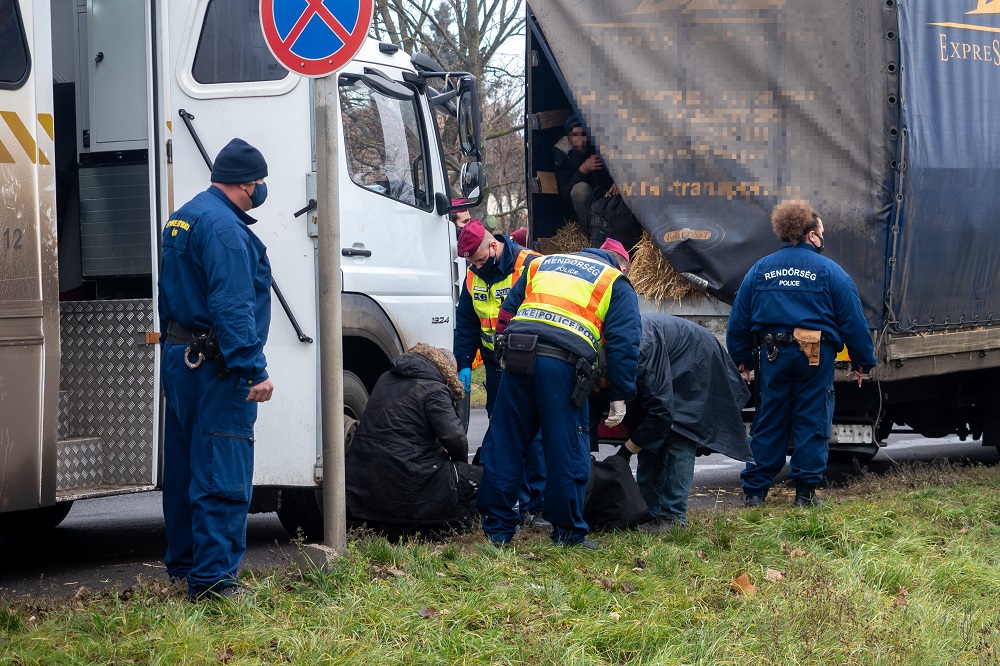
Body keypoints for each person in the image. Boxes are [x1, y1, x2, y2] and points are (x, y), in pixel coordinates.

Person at [158, 138, 274, 599]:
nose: (262, 190)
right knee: (222, 466)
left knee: (186, 467)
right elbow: (232, 306)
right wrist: (253, 368)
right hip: (216, 366)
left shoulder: (184, 216)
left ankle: (185, 566)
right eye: (261, 182)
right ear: (246, 185)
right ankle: (213, 581)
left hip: (181, 357)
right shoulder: (226, 230)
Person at [477, 242, 641, 549]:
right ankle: (568, 533)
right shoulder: (614, 281)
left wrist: (502, 352)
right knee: (566, 448)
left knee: (506, 442)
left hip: (518, 353)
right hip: (562, 365)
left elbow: (507, 311)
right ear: (622, 265)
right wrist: (620, 394)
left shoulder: (543, 264)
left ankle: (496, 530)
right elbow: (625, 342)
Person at [727, 200, 877, 508]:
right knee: (812, 419)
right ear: (811, 235)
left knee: (770, 419)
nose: (823, 238)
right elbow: (853, 321)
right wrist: (863, 361)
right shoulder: (831, 272)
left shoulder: (760, 270)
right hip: (815, 355)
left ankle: (755, 493)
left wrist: (741, 359)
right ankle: (805, 495)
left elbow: (739, 319)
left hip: (773, 355)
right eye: (821, 233)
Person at [609, 313, 754, 530]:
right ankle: (649, 512)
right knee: (651, 440)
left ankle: (673, 516)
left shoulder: (641, 356)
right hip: (669, 355)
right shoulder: (615, 360)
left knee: (680, 434)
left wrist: (626, 451)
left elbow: (661, 412)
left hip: (696, 360)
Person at [455, 219, 548, 528]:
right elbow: (467, 321)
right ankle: (516, 503)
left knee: (534, 434)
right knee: (504, 432)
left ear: (493, 246)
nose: (477, 267)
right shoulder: (473, 275)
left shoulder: (529, 264)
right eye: (472, 263)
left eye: (480, 260)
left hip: (530, 360)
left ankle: (538, 506)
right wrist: (464, 362)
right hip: (497, 364)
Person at [346, 344, 479, 535]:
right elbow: (455, 438)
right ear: (447, 369)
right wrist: (460, 466)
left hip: (366, 479)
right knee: (479, 479)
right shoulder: (434, 388)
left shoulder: (385, 378)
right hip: (403, 478)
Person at [555, 114, 616, 235]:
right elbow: (566, 194)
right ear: (568, 137)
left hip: (609, 202)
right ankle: (594, 235)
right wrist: (582, 170)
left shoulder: (600, 146)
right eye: (575, 135)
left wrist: (619, 183)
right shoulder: (565, 156)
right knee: (579, 190)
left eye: (583, 134)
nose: (580, 140)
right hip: (587, 212)